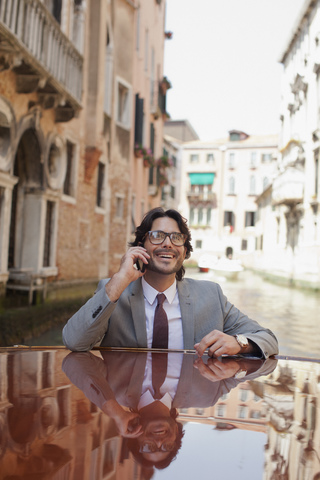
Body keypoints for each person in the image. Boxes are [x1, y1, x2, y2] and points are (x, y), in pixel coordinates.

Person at [62, 207, 278, 358]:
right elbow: (74, 341)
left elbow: (268, 339)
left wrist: (239, 344)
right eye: (157, 236)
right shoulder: (113, 292)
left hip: (185, 398)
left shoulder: (211, 295)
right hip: (130, 411)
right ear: (141, 245)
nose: (167, 243)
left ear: (184, 252)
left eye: (176, 238)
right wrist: (119, 280)